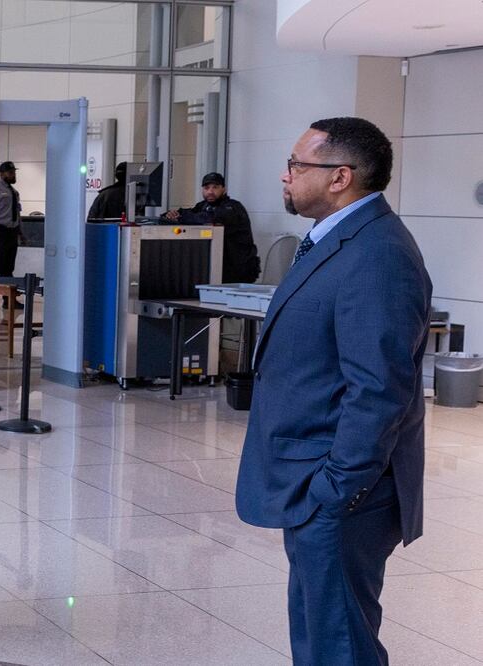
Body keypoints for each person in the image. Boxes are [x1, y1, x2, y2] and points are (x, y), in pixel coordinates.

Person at [235, 117, 431, 665]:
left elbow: (379, 390)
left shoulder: (378, 254)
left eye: (298, 165)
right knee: (324, 638)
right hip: (316, 484)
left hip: (343, 494)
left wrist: (336, 490)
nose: (286, 174)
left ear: (340, 176)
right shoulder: (338, 239)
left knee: (338, 647)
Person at [164, 172, 260, 283]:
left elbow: (209, 219)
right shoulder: (203, 206)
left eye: (215, 187)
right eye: (206, 188)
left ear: (223, 189)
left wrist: (181, 217)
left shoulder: (233, 207)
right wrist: (171, 215)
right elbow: (190, 213)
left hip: (237, 270)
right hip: (216, 268)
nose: (210, 191)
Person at [0, 160, 23, 279]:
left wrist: (20, 233)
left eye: (14, 172)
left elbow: (17, 213)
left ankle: (7, 298)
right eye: (10, 173)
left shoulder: (15, 192)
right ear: (1, 174)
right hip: (0, 231)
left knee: (8, 267)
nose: (13, 175)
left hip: (12, 232)